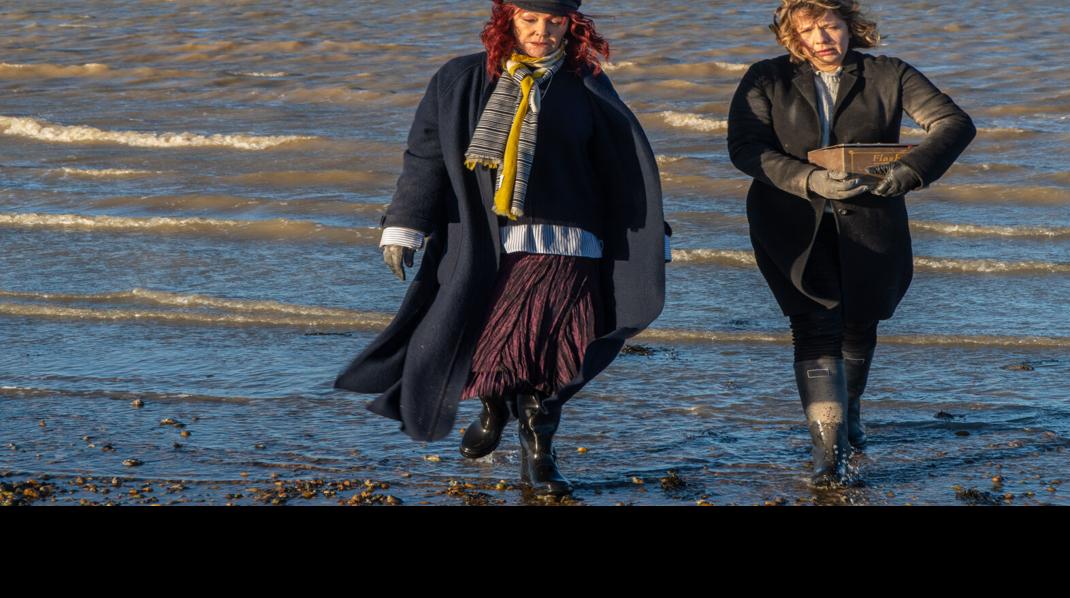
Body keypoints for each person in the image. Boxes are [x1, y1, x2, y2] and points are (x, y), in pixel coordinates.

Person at [334, 0, 670, 497]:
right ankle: (493, 407)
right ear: (507, 21)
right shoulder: (462, 79)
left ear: (571, 25)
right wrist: (405, 223)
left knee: (556, 352)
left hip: (570, 243)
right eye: (529, 20)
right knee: (495, 346)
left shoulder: (586, 84)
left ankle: (539, 457)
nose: (541, 31)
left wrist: (651, 233)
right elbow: (425, 155)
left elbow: (623, 166)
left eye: (554, 21)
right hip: (488, 243)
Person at [727, 0, 974, 485]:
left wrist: (909, 173)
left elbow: (954, 123)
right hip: (789, 222)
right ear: (790, 36)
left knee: (861, 322)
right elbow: (746, 148)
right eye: (809, 30)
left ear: (850, 28)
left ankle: (849, 409)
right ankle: (828, 455)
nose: (822, 39)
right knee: (815, 326)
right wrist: (808, 180)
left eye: (831, 27)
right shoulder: (764, 77)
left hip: (872, 218)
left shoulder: (889, 73)